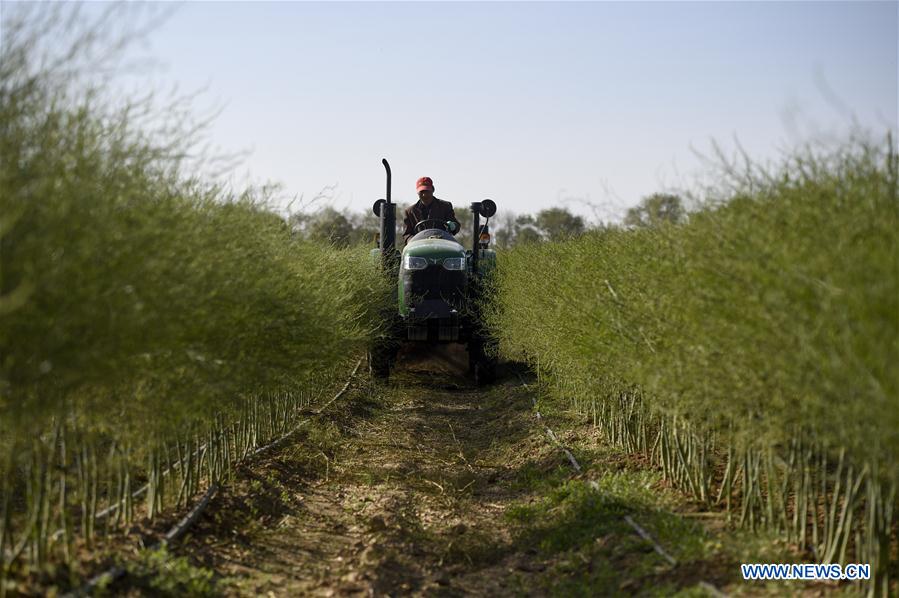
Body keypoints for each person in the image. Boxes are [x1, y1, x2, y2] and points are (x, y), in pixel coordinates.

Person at [402, 176, 461, 244]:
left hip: (441, 244)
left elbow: (456, 227)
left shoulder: (445, 206)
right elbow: (407, 234)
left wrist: (453, 226)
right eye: (422, 192)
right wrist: (413, 242)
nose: (424, 195)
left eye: (427, 191)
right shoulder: (410, 211)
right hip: (419, 247)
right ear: (418, 192)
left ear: (433, 190)